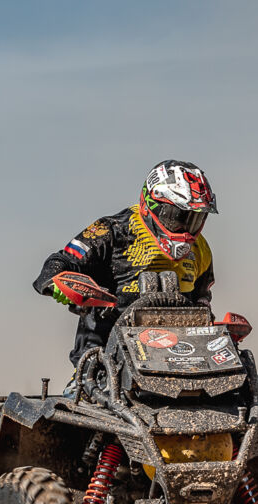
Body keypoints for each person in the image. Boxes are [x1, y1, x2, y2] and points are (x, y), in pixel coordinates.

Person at [35, 159, 218, 390]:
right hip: (103, 368)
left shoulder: (201, 250)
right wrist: (58, 281)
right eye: (177, 216)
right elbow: (61, 261)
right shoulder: (111, 231)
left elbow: (203, 304)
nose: (185, 228)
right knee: (79, 398)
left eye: (195, 218)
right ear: (152, 204)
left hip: (182, 368)